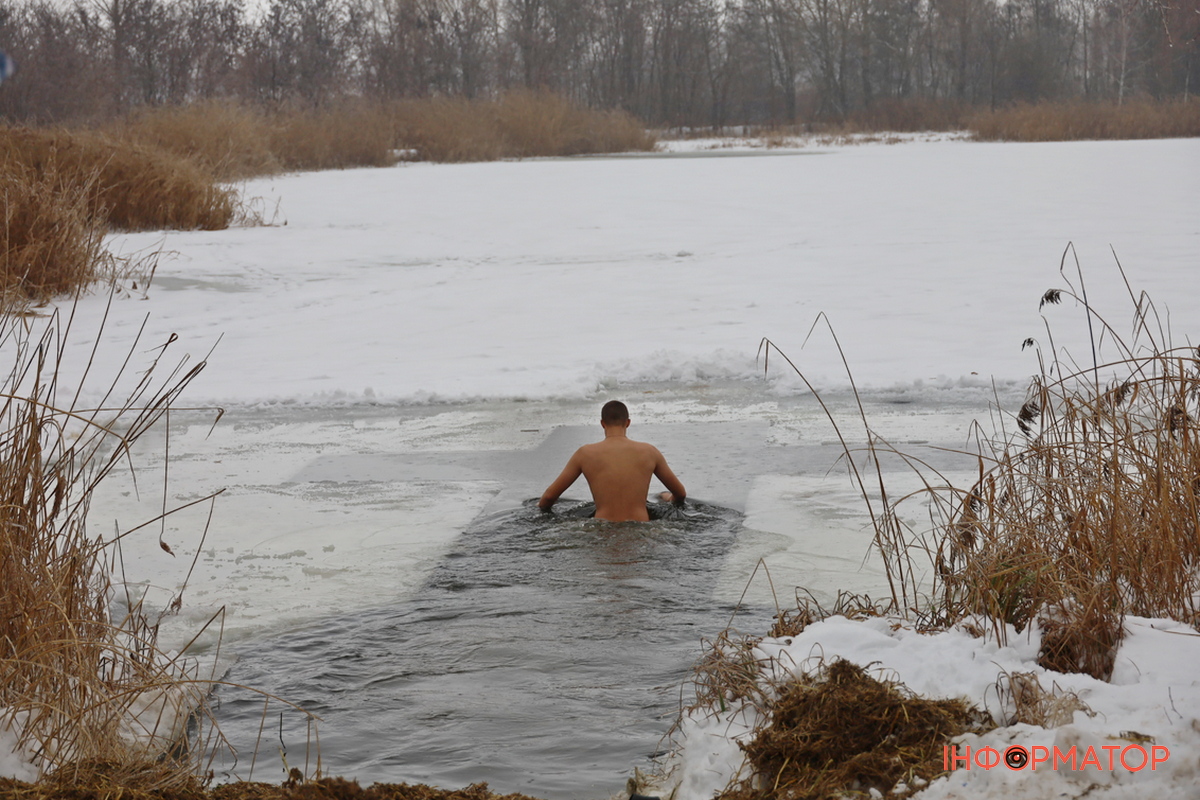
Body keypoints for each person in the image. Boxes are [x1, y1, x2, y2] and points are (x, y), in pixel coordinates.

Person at [538, 400, 686, 522]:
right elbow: (680, 494)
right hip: (641, 529)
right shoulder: (649, 452)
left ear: (602, 423)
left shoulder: (585, 454)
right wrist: (666, 497)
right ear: (628, 422)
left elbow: (549, 497)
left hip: (602, 529)